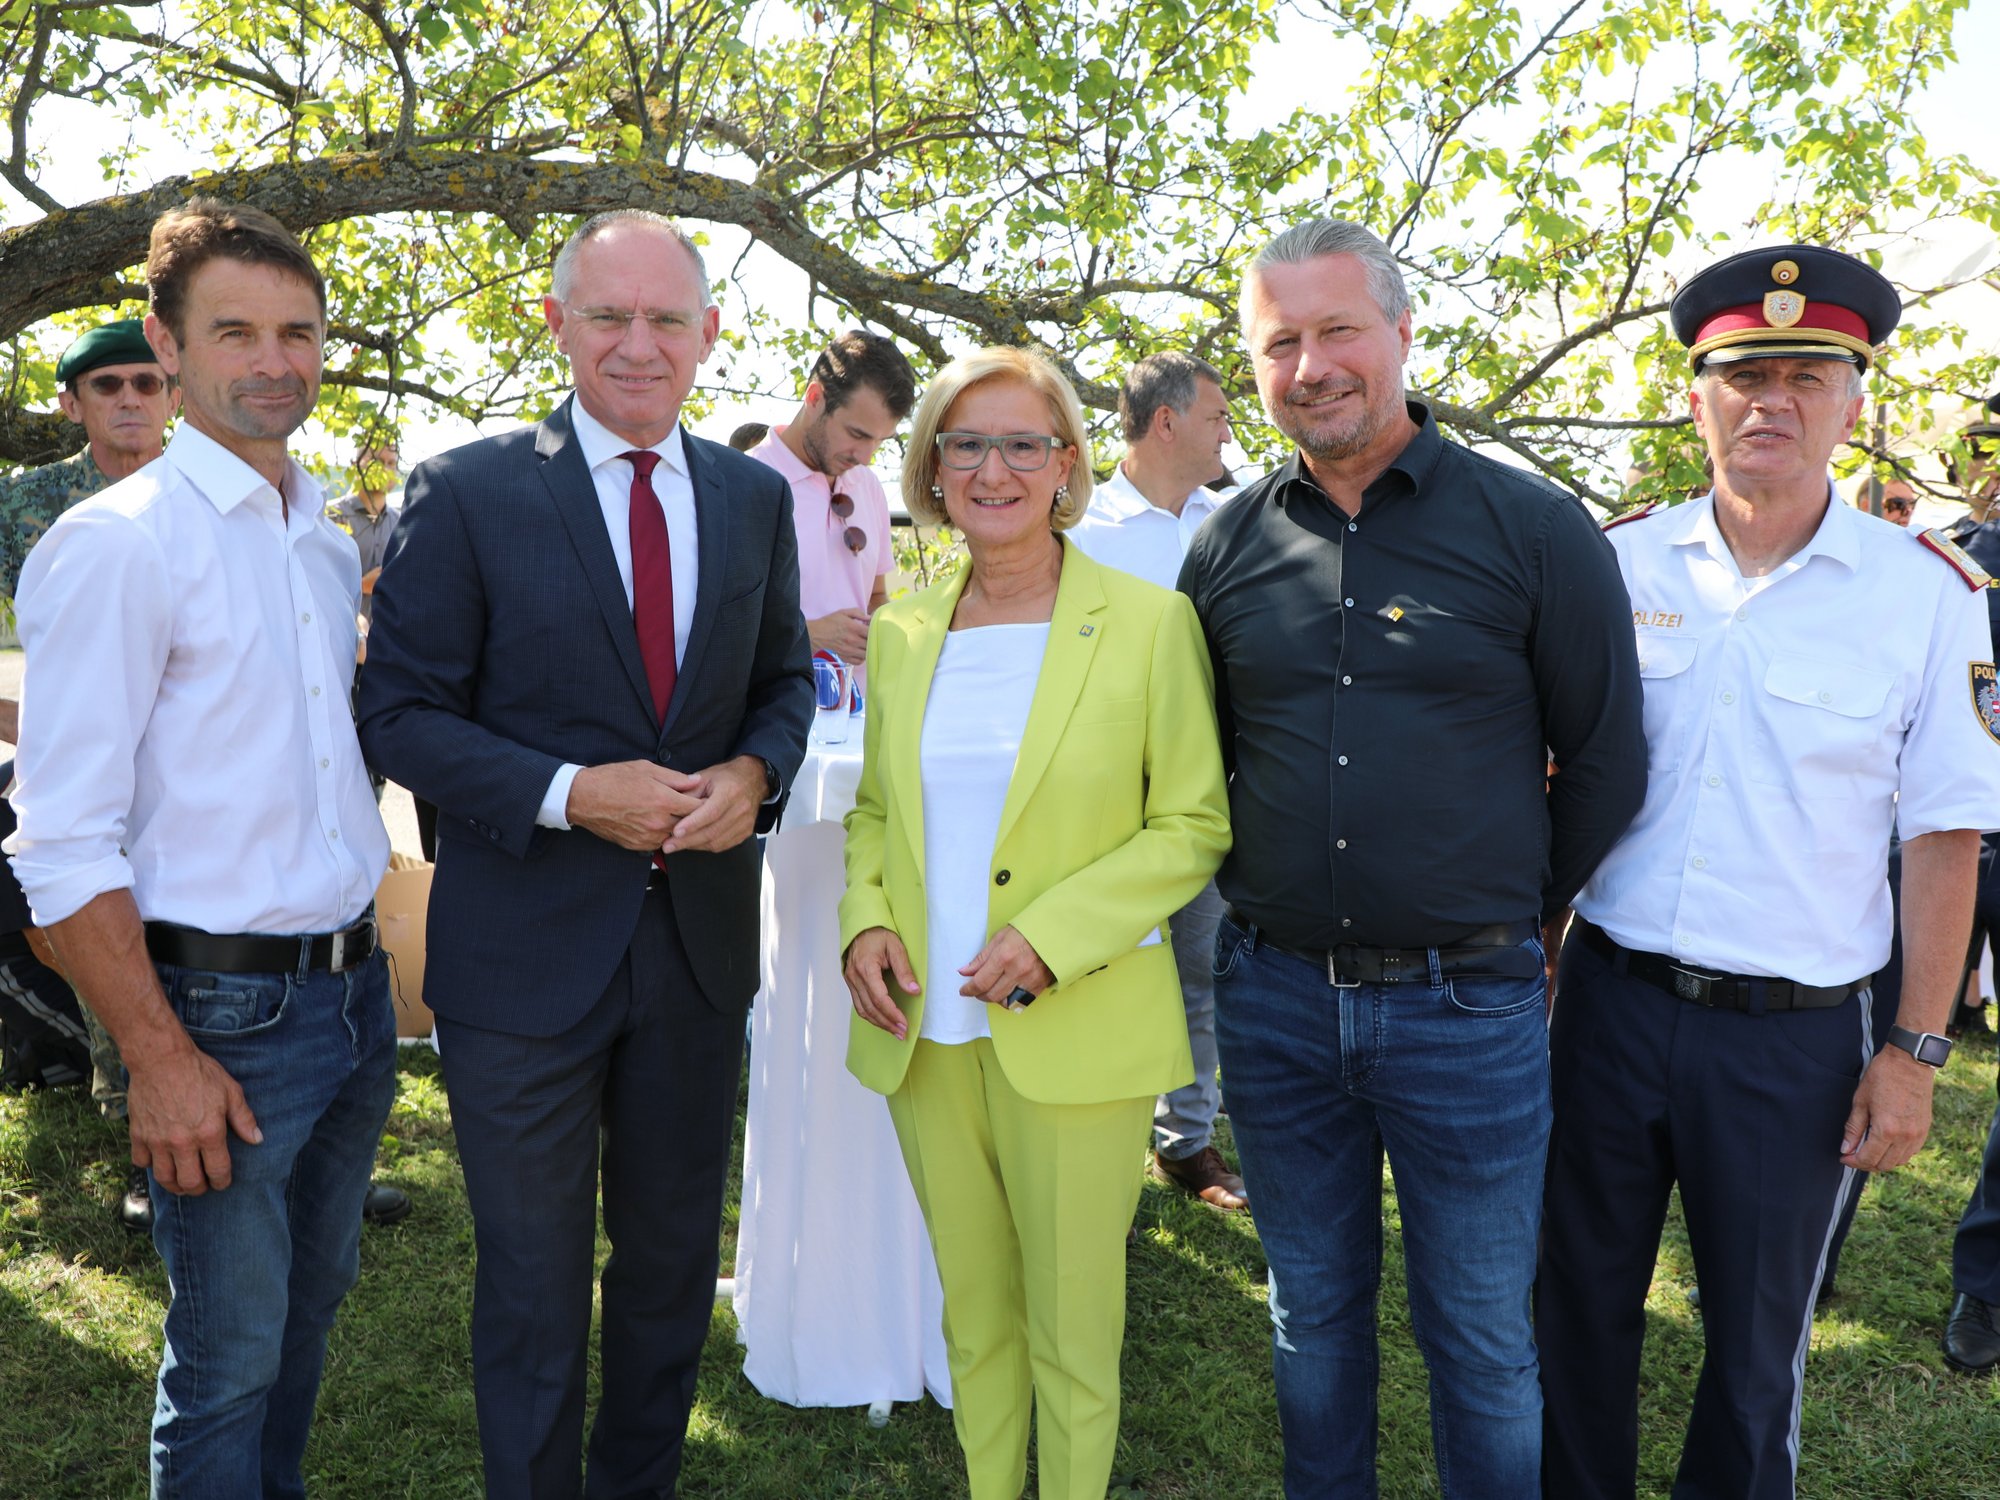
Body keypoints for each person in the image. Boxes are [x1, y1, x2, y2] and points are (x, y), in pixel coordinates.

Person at [1178, 217, 1646, 1498]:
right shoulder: (1223, 545)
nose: (1310, 366)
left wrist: (1512, 915)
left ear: (1398, 331)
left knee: (1481, 1341)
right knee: (1309, 1320)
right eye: (1279, 343)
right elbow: (1200, 760)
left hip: (1467, 1009)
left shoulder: (1532, 527)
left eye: (1336, 330)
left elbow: (1603, 761)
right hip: (1272, 1001)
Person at [357, 209, 813, 1500]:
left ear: (709, 334)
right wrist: (569, 795)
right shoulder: (469, 489)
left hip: (697, 955)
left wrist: (756, 774)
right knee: (533, 1284)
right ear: (556, 324)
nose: (637, 343)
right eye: (607, 315)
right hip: (521, 962)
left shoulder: (753, 497)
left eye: (666, 318)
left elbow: (782, 684)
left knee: (668, 1271)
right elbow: (399, 715)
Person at [1536, 245, 2000, 1500]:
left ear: (1851, 402)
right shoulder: (1615, 564)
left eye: (1805, 376)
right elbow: (1557, 777)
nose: (1771, 403)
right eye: (1744, 376)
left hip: (1790, 1043)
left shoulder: (1927, 594)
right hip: (1608, 1005)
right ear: (1696, 398)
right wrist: (1539, 960)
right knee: (1572, 1308)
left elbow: (1943, 837)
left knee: (1753, 1356)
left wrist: (1912, 1054)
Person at [6, 199, 397, 1499]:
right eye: (236, 331)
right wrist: (159, 1060)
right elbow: (61, 845)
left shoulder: (321, 545)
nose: (275, 361)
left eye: (299, 332)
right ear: (168, 349)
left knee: (306, 1317)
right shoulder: (118, 547)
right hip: (218, 1018)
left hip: (353, 997)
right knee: (227, 1360)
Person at [841, 346, 1230, 1500]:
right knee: (974, 1322)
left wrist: (1054, 937)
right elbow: (875, 815)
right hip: (925, 1034)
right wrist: (865, 921)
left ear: (1066, 463)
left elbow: (1190, 824)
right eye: (965, 444)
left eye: (1022, 443)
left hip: (1079, 1030)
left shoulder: (1151, 622)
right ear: (932, 468)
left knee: (1072, 1334)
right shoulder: (904, 632)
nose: (992, 469)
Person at [0, 319, 176, 1221]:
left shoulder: (212, 493)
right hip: (83, 769)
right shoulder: (24, 505)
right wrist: (30, 727)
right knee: (105, 927)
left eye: (148, 383)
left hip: (195, 767)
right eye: (108, 386)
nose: (131, 400)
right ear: (71, 404)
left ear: (174, 393)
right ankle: (142, 1134)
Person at [1068, 350, 1246, 1211]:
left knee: (1202, 970)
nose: (1229, 436)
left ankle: (1185, 1143)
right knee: (1102, 972)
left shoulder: (1239, 524)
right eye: (1218, 418)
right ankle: (1095, 1160)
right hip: (1101, 799)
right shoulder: (1079, 532)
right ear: (1167, 422)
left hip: (1207, 791)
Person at [746, 330, 914, 673]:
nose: (866, 457)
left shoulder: (867, 485)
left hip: (861, 703)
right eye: (857, 434)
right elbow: (720, 627)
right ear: (814, 398)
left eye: (879, 441)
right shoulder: (745, 484)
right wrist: (811, 636)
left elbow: (875, 597)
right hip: (776, 703)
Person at [326, 436, 401, 628]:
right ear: (356, 464)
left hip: (387, 640)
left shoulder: (402, 524)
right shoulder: (330, 517)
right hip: (340, 636)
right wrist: (362, 586)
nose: (385, 469)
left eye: (391, 463)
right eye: (377, 461)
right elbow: (315, 584)